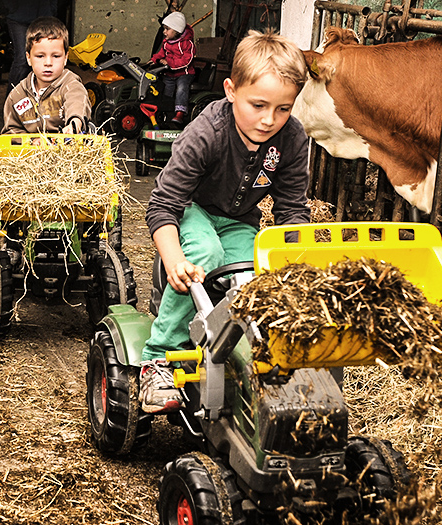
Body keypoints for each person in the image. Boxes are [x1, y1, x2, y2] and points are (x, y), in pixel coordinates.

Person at [138, 30, 312, 414]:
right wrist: (173, 260)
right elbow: (163, 205)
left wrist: (296, 268)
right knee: (204, 253)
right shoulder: (207, 133)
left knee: (253, 275)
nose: (269, 120)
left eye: (283, 109)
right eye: (259, 105)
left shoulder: (293, 140)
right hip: (192, 210)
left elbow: (291, 213)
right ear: (231, 90)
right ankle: (159, 359)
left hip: (239, 220)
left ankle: (245, 362)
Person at [1, 16, 90, 135]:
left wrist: (75, 122)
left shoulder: (70, 85)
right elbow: (10, 131)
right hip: (32, 151)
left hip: (66, 146)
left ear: (65, 58)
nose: (48, 63)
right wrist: (32, 143)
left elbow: (77, 101)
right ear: (28, 58)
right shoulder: (17, 96)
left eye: (56, 56)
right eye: (40, 56)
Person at [149, 11, 196, 124]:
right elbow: (161, 53)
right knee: (165, 89)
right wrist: (154, 60)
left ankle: (180, 112)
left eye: (167, 29)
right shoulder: (166, 42)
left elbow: (186, 61)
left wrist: (169, 62)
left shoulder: (187, 44)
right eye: (164, 29)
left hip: (184, 74)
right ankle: (167, 111)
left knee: (181, 89)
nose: (164, 32)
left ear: (177, 30)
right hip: (169, 74)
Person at [1, 0, 58, 87]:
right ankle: (13, 96)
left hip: (43, 19)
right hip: (18, 19)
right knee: (22, 58)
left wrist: (51, 9)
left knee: (43, 56)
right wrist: (12, 8)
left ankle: (38, 94)